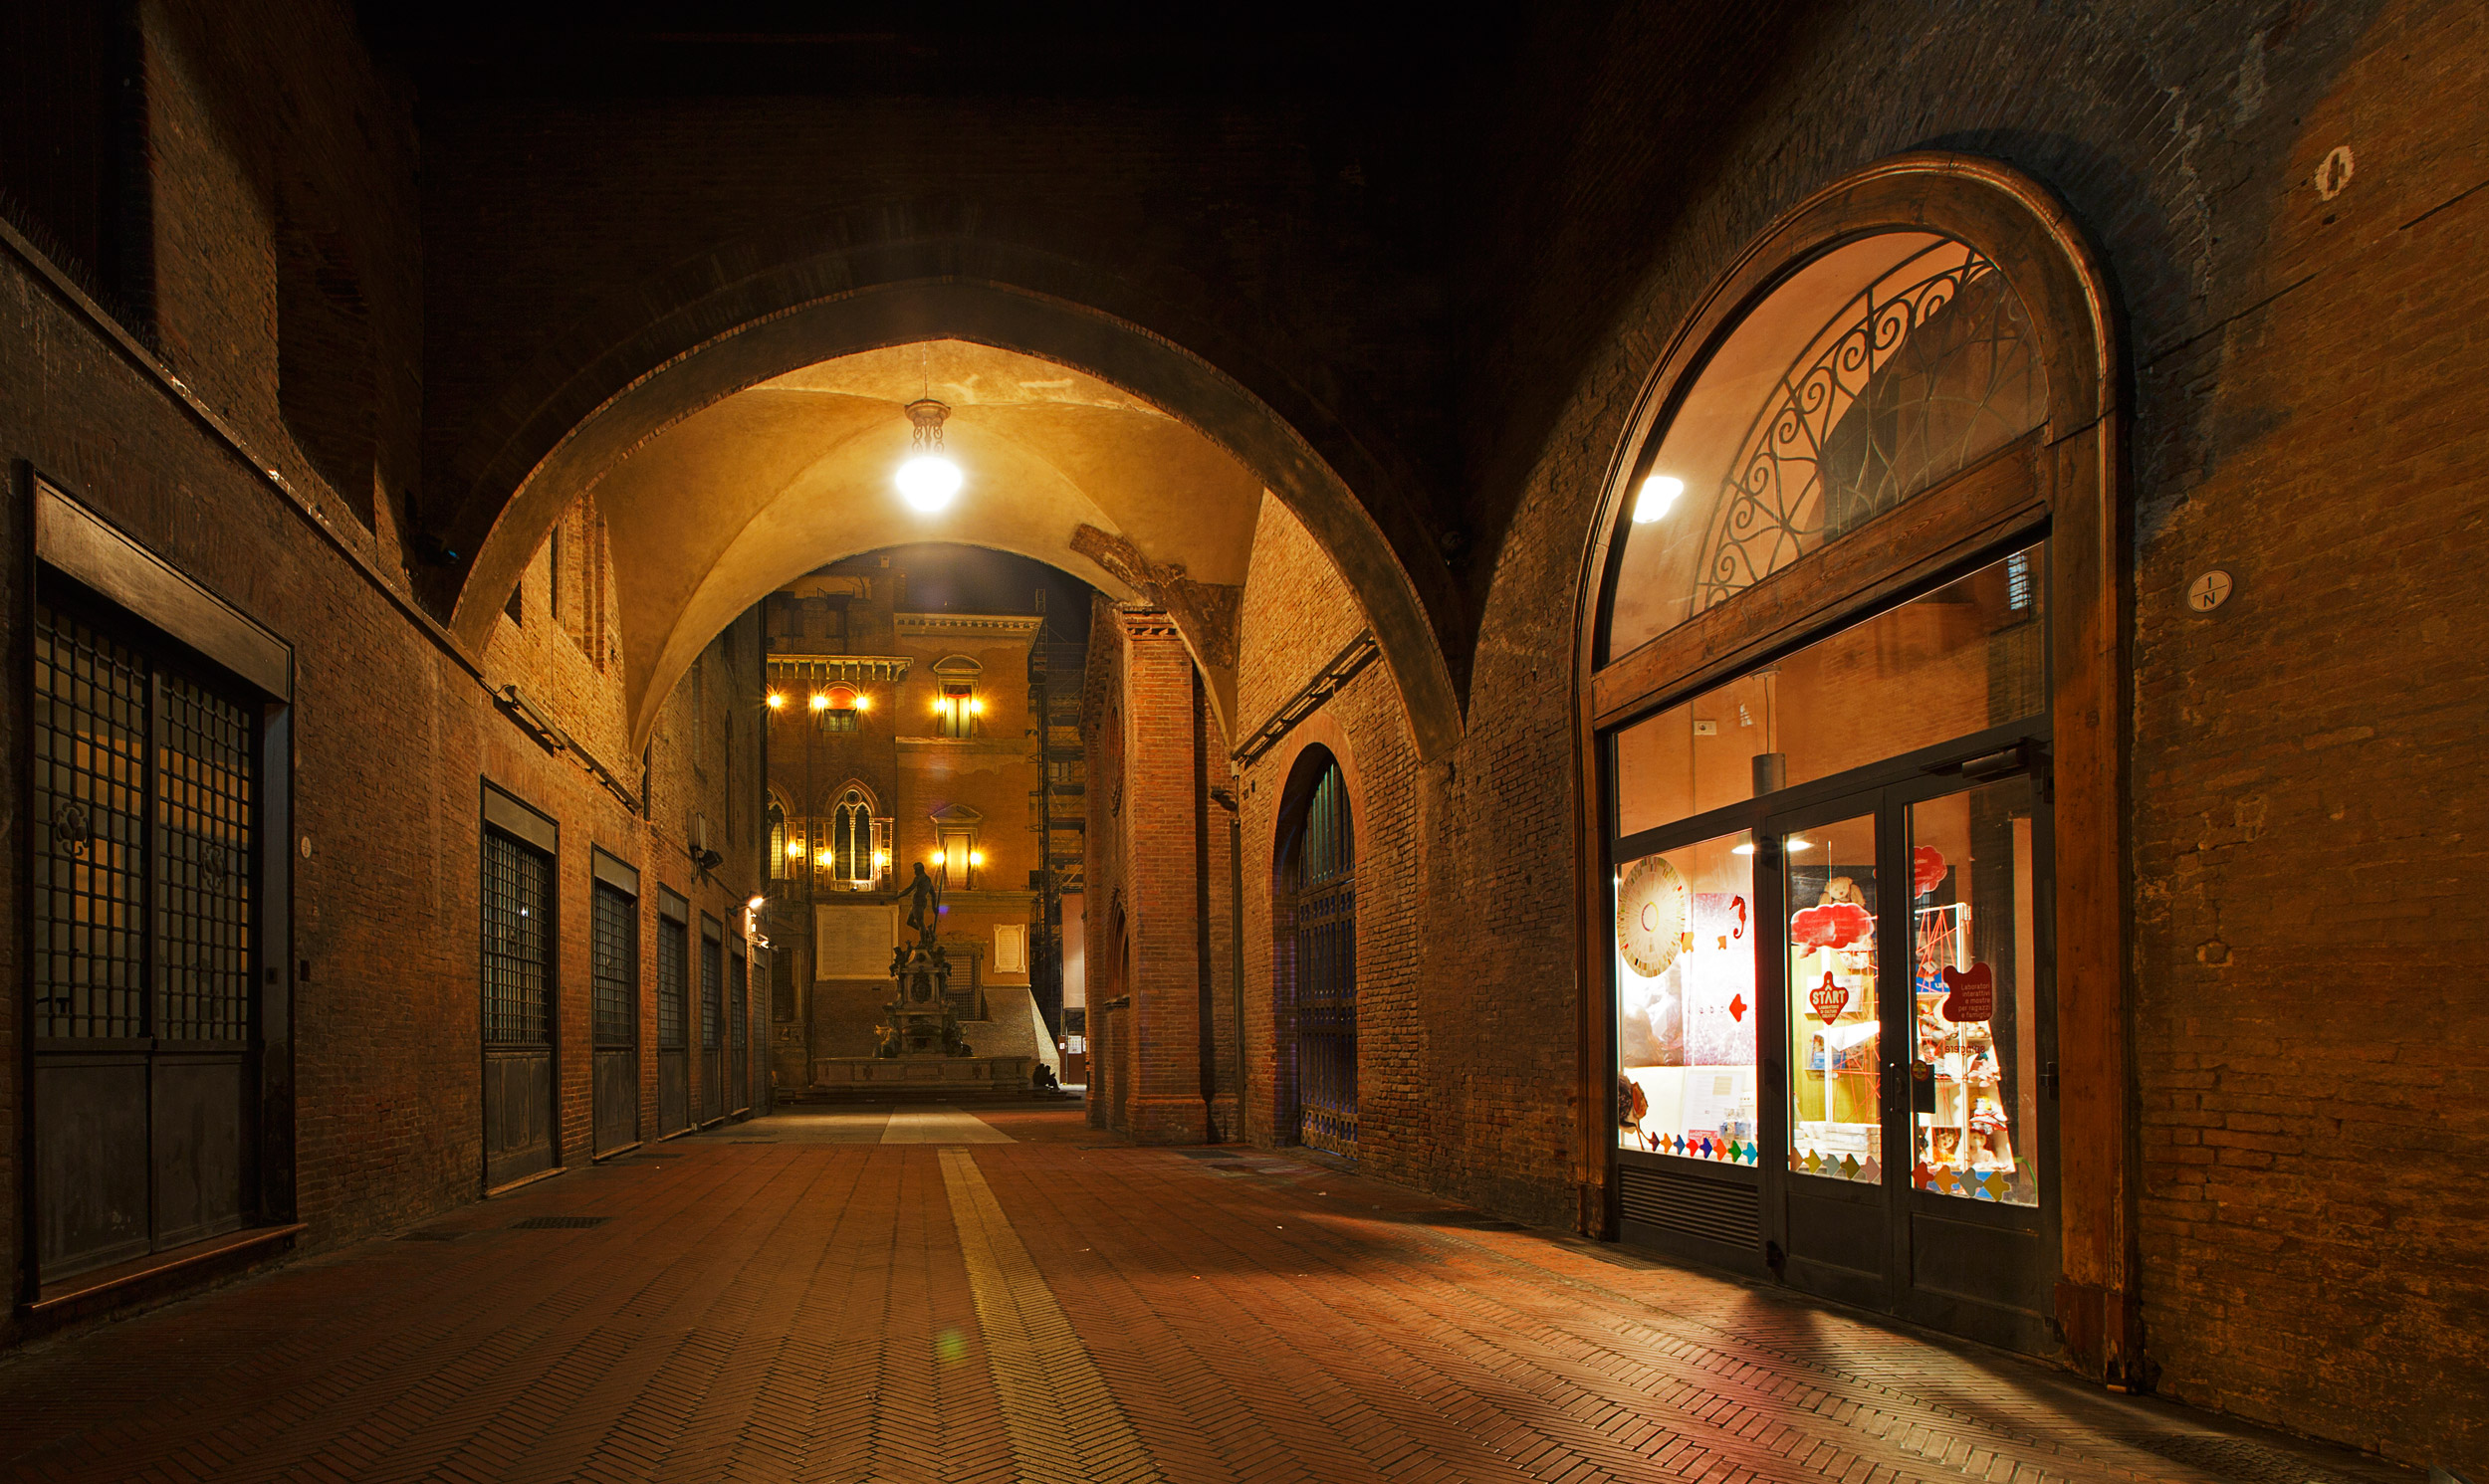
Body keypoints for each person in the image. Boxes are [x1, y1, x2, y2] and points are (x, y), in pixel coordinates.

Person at [903, 860, 941, 947]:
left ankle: (923, 942)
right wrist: (933, 907)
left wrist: (898, 896)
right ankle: (926, 932)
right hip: (916, 903)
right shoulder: (927, 879)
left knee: (920, 923)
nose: (914, 872)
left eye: (915, 869)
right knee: (909, 922)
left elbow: (910, 888)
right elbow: (933, 894)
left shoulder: (920, 878)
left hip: (919, 902)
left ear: (920, 869)